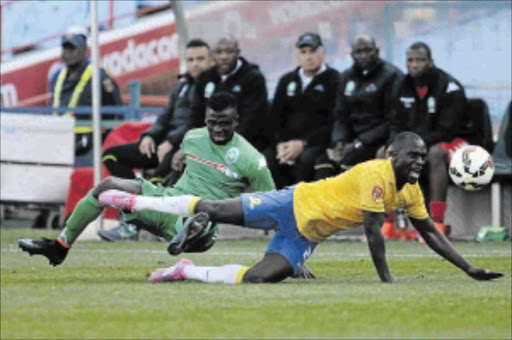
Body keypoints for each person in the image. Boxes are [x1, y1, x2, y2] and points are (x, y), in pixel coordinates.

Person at [97, 132, 503, 284]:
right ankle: (135, 200)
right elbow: (373, 232)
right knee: (216, 208)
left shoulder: (409, 189)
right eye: (411, 156)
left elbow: (430, 233)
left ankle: (185, 270)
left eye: (421, 158)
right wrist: (386, 282)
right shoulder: (377, 174)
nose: (418, 162)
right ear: (391, 154)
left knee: (262, 278)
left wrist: (469, 269)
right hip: (294, 200)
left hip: (305, 233)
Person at [17, 92, 276, 266]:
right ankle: (60, 247)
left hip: (204, 224)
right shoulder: (193, 137)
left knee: (201, 216)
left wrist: (288, 261)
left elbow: (274, 209)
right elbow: (188, 154)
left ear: (237, 121)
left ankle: (184, 233)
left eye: (225, 123)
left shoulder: (252, 159)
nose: (218, 130)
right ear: (205, 120)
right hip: (166, 202)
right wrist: (178, 155)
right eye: (212, 123)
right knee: (108, 186)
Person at [99, 39, 212, 242]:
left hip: (185, 147)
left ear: (210, 61)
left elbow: (199, 124)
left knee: (156, 179)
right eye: (191, 59)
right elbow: (164, 117)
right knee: (111, 156)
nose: (195, 63)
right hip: (163, 144)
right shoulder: (182, 85)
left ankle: (145, 226)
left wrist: (171, 141)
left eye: (200, 59)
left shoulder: (211, 87)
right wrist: (149, 136)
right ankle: (134, 215)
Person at [386, 42, 473, 236]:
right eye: (410, 60)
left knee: (435, 154)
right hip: (417, 143)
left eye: (420, 60)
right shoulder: (401, 85)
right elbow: (394, 123)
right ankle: (389, 224)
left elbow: (447, 129)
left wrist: (410, 145)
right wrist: (394, 144)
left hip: (455, 140)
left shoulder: (449, 87)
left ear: (431, 62)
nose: (415, 65)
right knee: (383, 154)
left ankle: (437, 223)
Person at [314, 34, 403, 179]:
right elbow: (340, 115)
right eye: (358, 52)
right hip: (351, 140)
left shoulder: (392, 76)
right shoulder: (345, 77)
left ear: (377, 51)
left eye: (367, 50)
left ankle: (350, 202)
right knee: (323, 163)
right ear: (352, 55)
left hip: (376, 140)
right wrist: (339, 141)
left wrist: (359, 143)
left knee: (349, 163)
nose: (363, 55)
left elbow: (393, 120)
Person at [269, 32, 339, 188]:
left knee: (306, 161)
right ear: (297, 56)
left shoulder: (334, 80)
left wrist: (303, 144)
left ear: (323, 53)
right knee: (268, 160)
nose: (308, 57)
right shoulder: (286, 81)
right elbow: (275, 118)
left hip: (317, 143)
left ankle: (303, 209)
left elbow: (333, 121)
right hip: (286, 145)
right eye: (303, 52)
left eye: (312, 51)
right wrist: (280, 144)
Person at [48, 27, 122, 166]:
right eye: (65, 48)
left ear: (84, 49)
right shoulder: (57, 77)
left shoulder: (99, 77)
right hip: (58, 142)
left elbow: (116, 112)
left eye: (73, 48)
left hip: (88, 147)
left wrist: (102, 141)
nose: (68, 53)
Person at [189, 36, 270, 153]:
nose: (224, 57)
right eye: (219, 52)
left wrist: (221, 146)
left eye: (229, 51)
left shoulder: (253, 78)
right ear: (212, 55)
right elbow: (195, 117)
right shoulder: (204, 78)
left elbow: (251, 121)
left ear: (238, 53)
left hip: (245, 145)